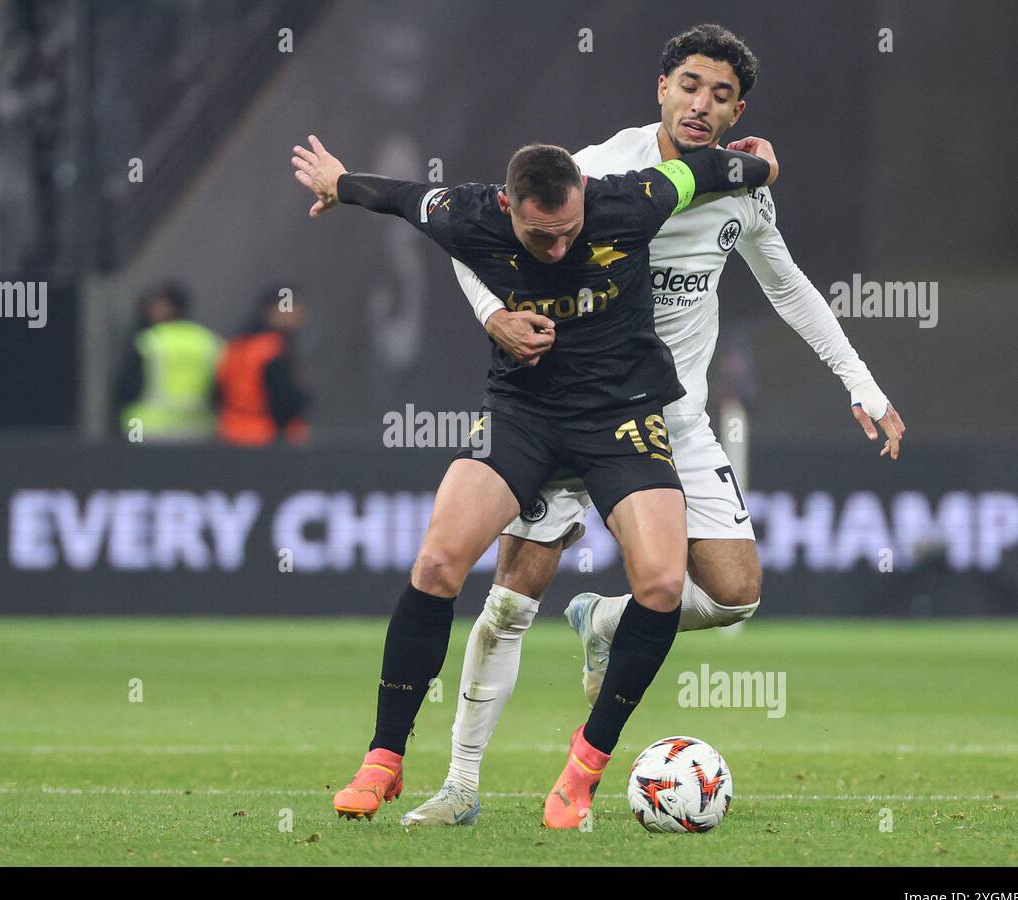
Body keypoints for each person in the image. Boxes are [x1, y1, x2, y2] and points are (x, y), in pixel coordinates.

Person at [403, 23, 907, 827]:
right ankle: (461, 784)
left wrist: (863, 384)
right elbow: (475, 234)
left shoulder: (740, 190)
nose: (702, 106)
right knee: (510, 595)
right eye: (690, 86)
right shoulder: (598, 170)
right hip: (571, 408)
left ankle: (602, 618)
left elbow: (791, 290)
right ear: (662, 88)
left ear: (738, 111)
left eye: (721, 96)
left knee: (735, 592)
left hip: (673, 421)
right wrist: (496, 313)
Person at [292, 128, 776, 827]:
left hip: (622, 416)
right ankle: (383, 761)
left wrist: (758, 164)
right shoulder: (468, 213)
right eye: (540, 237)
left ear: (583, 199)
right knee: (437, 561)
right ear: (508, 207)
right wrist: (339, 183)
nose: (556, 249)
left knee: (664, 584)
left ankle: (582, 772)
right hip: (525, 414)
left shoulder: (633, 199)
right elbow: (399, 198)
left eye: (568, 232)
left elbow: (704, 170)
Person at [113, 283, 222, 441]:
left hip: (144, 429)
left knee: (134, 463)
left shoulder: (149, 341)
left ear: (171, 308)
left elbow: (126, 388)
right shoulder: (209, 342)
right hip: (197, 430)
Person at [216, 286, 311, 446]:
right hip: (267, 438)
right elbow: (287, 401)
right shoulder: (273, 349)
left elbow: (219, 392)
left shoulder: (236, 347)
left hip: (230, 433)